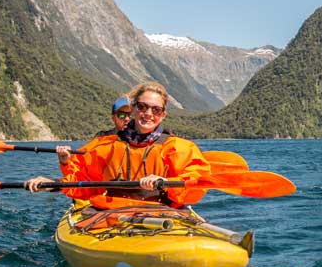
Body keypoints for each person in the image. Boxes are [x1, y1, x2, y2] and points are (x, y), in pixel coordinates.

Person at [26, 82, 211, 208]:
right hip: (112, 216)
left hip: (160, 215)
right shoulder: (105, 146)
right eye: (142, 107)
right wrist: (51, 183)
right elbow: (82, 183)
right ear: (134, 109)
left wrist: (166, 183)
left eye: (156, 110)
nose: (148, 114)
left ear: (163, 115)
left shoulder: (179, 148)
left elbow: (195, 183)